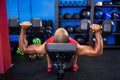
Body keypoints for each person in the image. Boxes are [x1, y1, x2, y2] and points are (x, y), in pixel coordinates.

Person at [19, 22, 103, 72]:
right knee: (75, 52)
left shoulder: (47, 44)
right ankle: (74, 65)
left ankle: (49, 66)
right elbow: (97, 52)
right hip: (70, 47)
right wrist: (97, 32)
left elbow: (24, 49)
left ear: (54, 39)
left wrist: (23, 29)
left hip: (51, 46)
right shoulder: (75, 45)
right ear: (68, 39)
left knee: (48, 50)